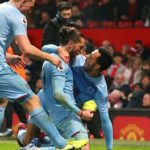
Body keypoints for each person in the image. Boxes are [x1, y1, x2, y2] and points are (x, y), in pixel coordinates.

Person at [0, 0, 83, 149]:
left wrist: (8, 56)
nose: (33, 7)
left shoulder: (1, 8)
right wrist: (51, 57)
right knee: (32, 100)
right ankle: (62, 143)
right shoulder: (17, 15)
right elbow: (27, 49)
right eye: (33, 2)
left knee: (1, 102)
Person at [16, 26, 91, 150]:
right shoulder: (58, 61)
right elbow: (58, 94)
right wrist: (80, 112)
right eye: (81, 47)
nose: (82, 51)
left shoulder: (57, 56)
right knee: (80, 147)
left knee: (32, 140)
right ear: (71, 44)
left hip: (49, 100)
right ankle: (33, 145)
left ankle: (30, 139)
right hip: (57, 106)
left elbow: (44, 48)